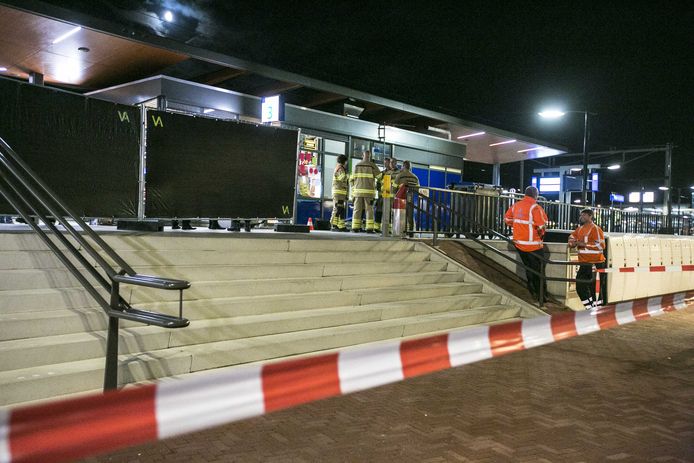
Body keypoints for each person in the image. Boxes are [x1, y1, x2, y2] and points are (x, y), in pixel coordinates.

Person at [504, 186, 549, 303]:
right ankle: (541, 296)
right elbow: (541, 226)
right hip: (533, 245)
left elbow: (507, 219)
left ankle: (532, 292)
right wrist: (541, 235)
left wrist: (517, 226)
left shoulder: (516, 206)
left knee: (528, 269)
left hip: (519, 244)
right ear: (536, 195)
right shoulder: (535, 208)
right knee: (539, 271)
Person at [568, 208, 606, 311]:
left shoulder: (596, 229)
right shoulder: (579, 229)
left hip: (596, 263)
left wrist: (584, 244)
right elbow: (571, 237)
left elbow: (601, 245)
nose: (581, 217)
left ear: (590, 216)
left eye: (584, 215)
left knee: (595, 289)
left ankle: (598, 311)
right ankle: (590, 308)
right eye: (581, 215)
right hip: (584, 264)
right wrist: (571, 242)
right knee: (580, 287)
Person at [350, 150, 380, 233]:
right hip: (369, 193)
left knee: (357, 209)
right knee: (369, 210)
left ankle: (355, 227)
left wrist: (354, 188)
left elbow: (351, 180)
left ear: (362, 155)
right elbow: (380, 177)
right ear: (369, 156)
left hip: (357, 193)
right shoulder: (372, 166)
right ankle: (369, 228)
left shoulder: (356, 165)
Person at [394, 160, 420, 235]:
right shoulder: (415, 177)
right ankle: (411, 232)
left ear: (403, 166)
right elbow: (418, 189)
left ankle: (402, 231)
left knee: (401, 216)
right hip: (410, 198)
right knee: (410, 216)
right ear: (410, 167)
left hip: (400, 200)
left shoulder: (399, 176)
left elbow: (394, 189)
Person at [330, 154, 349, 231]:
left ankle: (340, 225)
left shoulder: (340, 168)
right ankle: (333, 224)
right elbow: (342, 178)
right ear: (345, 161)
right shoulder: (340, 169)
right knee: (337, 208)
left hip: (340, 193)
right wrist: (350, 176)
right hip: (338, 193)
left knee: (340, 209)